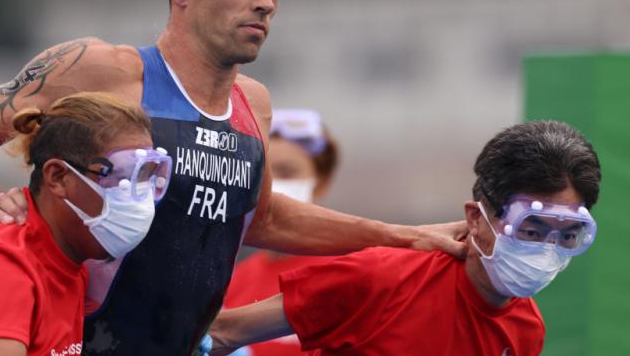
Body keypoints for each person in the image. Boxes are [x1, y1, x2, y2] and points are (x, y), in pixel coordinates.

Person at [0, 0, 466, 354]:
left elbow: (262, 217)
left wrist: (405, 236)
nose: (266, 2)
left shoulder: (253, 104)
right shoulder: (107, 70)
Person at [206, 120, 601, 356]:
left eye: (566, 236)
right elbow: (221, 334)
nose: (545, 250)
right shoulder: (382, 277)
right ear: (476, 219)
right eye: (531, 230)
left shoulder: (527, 327)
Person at [0, 92, 171, 355]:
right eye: (119, 174)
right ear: (58, 177)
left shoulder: (69, 262)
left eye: (146, 175)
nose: (139, 195)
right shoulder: (2, 264)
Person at [223, 108, 339, 356]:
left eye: (286, 172)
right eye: (263, 174)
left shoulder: (348, 273)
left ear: (321, 182)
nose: (272, 187)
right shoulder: (231, 280)